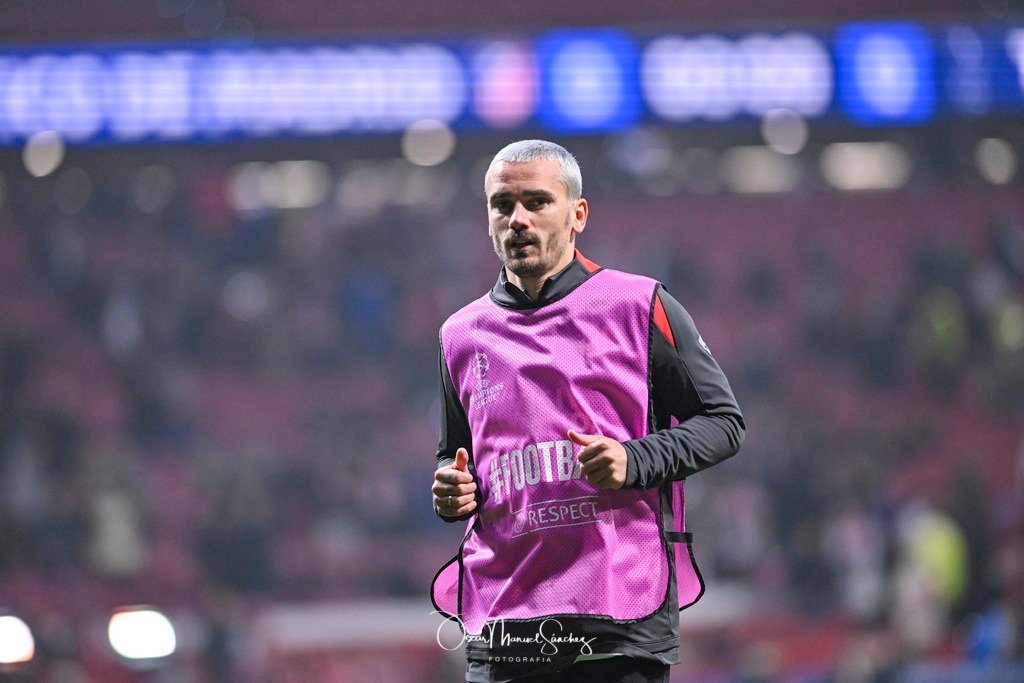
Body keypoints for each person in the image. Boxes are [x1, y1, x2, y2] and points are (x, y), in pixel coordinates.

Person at [431, 139, 745, 683]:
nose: (518, 219)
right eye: (502, 205)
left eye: (536, 202)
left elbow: (724, 423)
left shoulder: (639, 305)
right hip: (504, 625)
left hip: (615, 620)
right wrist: (452, 489)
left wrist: (634, 459)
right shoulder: (459, 335)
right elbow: (456, 454)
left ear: (577, 215)